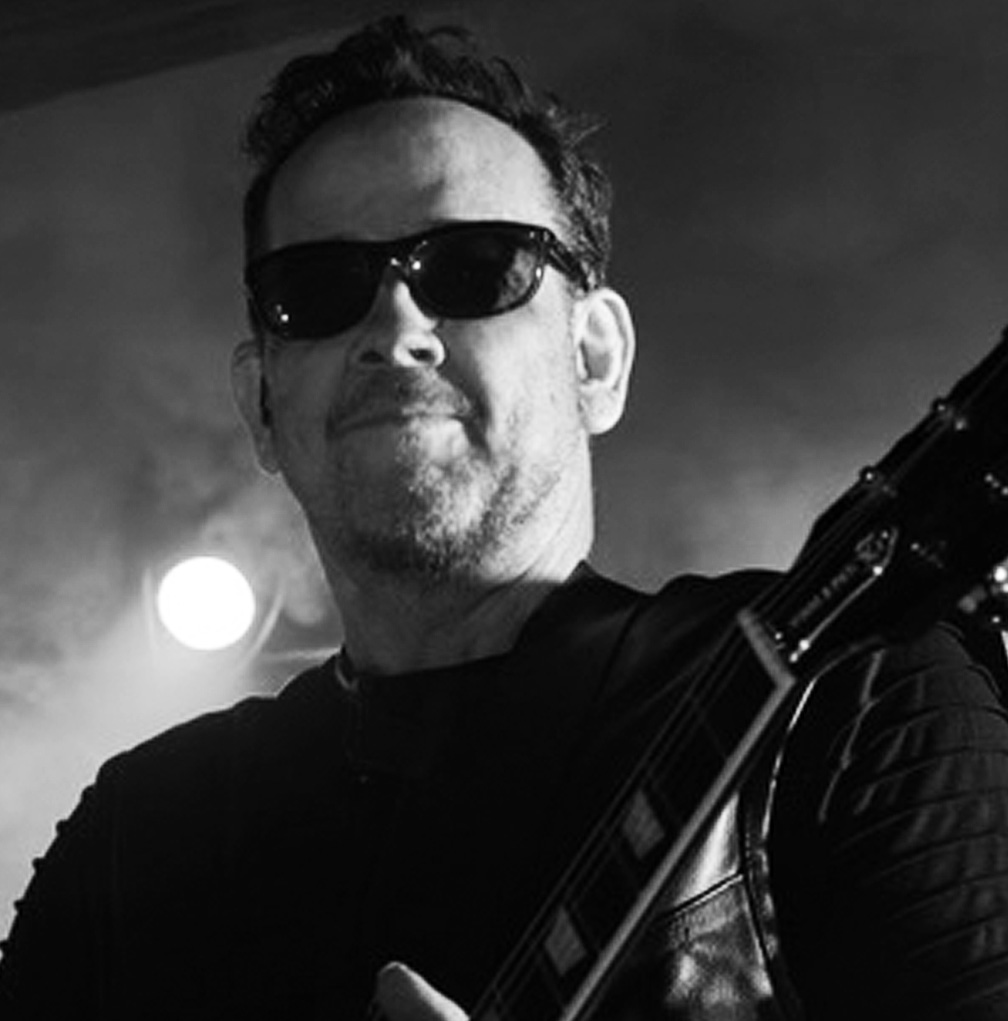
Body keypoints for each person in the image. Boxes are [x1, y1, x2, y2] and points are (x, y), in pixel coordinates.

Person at [2, 15, 1008, 1021]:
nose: (396, 328)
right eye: (318, 288)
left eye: (475, 267)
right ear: (260, 402)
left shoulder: (841, 696)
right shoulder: (133, 837)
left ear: (595, 358)